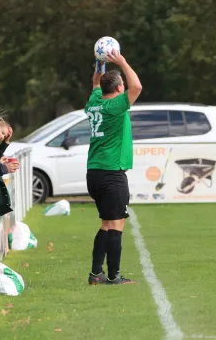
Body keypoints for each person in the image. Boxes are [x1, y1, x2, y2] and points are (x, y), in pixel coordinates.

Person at [86, 51, 142, 285]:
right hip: (112, 174)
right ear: (119, 88)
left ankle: (96, 273)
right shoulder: (115, 107)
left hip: (94, 172)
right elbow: (137, 86)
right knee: (115, 224)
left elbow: (95, 82)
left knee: (106, 224)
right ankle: (113, 275)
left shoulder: (94, 103)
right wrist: (121, 62)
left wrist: (100, 63)